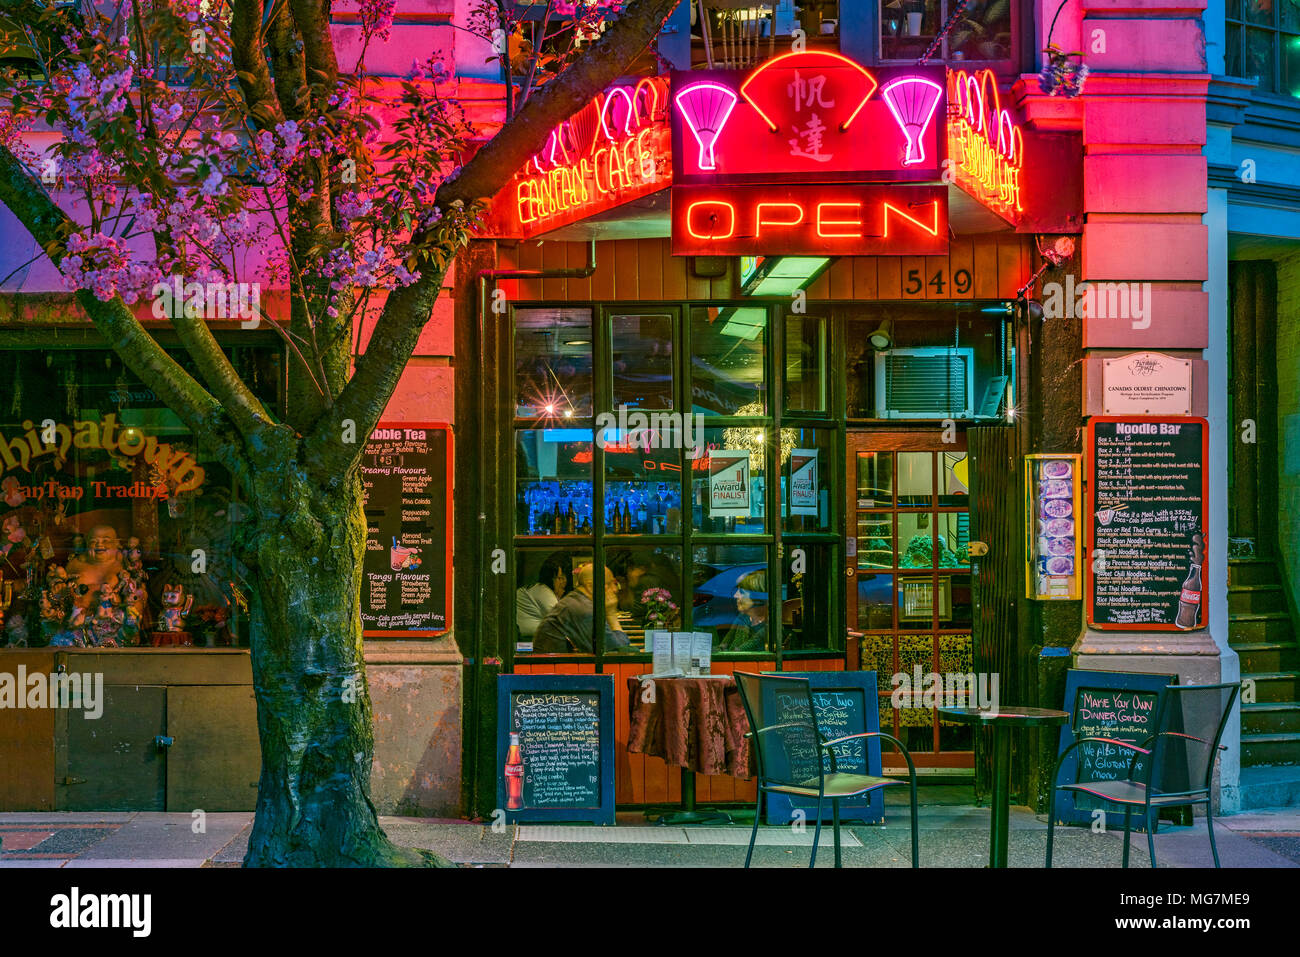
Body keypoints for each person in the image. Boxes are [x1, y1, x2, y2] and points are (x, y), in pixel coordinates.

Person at [533, 563, 631, 654]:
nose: (615, 589)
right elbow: (618, 651)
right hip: (552, 669)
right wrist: (611, 615)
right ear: (590, 586)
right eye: (609, 584)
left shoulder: (577, 601)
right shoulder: (582, 609)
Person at [717, 568, 769, 653]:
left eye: (741, 592)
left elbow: (740, 652)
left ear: (756, 597)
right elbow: (724, 645)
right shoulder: (742, 618)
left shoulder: (767, 628)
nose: (735, 595)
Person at [516, 554, 568, 638]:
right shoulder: (543, 591)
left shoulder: (539, 589)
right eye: (559, 578)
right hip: (524, 642)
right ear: (550, 579)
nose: (563, 582)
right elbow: (561, 621)